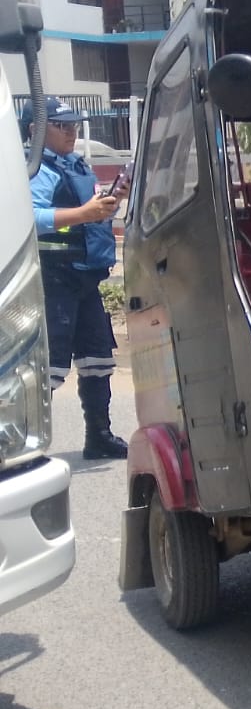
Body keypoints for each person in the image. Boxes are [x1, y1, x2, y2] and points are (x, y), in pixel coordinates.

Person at [23, 97, 128, 460]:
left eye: (73, 125)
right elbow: (28, 218)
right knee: (47, 367)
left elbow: (87, 217)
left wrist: (110, 201)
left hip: (85, 280)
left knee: (98, 360)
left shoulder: (74, 164)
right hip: (54, 280)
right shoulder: (35, 169)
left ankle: (99, 435)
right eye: (62, 125)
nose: (71, 132)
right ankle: (20, 445)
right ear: (36, 131)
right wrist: (84, 213)